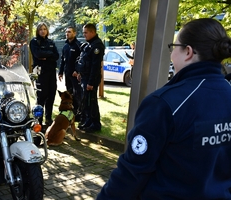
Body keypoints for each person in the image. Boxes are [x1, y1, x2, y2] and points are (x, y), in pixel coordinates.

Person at [97, 18, 231, 199]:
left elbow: (132, 172)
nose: (171, 54)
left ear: (188, 52)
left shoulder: (164, 103)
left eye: (174, 46)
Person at [76, 23, 105, 133]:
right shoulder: (89, 44)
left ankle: (95, 123)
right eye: (83, 32)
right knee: (86, 101)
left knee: (91, 101)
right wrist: (80, 73)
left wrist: (91, 82)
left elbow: (95, 66)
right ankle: (88, 120)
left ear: (92, 32)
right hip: (85, 77)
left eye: (86, 32)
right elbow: (84, 61)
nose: (84, 35)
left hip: (90, 79)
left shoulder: (97, 45)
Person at [30, 22, 59, 126]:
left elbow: (56, 56)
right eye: (41, 29)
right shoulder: (34, 42)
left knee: (51, 95)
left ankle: (48, 119)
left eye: (44, 29)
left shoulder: (50, 42)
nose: (43, 31)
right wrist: (49, 54)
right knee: (42, 96)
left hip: (51, 72)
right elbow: (38, 54)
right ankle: (39, 121)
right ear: (38, 31)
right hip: (41, 73)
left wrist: (46, 55)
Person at [58, 26, 82, 117]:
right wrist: (60, 72)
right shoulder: (65, 46)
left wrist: (77, 71)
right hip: (67, 75)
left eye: (69, 32)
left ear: (74, 33)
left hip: (75, 75)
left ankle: (79, 114)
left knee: (77, 94)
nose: (67, 34)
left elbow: (81, 61)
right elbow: (62, 60)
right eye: (66, 32)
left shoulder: (78, 45)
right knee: (69, 94)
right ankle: (70, 112)